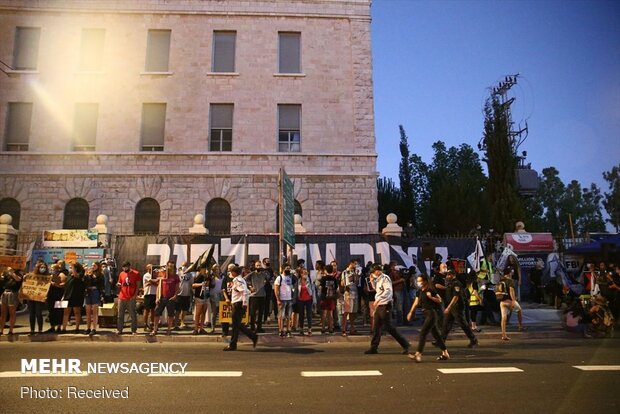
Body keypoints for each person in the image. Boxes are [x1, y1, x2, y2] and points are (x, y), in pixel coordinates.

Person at [364, 264, 412, 355]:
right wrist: (372, 281)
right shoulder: (377, 279)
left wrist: (378, 299)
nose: (374, 273)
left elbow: (388, 291)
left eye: (375, 272)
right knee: (376, 327)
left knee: (389, 327)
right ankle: (373, 347)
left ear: (378, 270)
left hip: (386, 304)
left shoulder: (385, 278)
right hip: (380, 305)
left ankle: (405, 344)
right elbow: (377, 290)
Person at [406, 274, 450, 362]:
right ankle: (445, 353)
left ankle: (418, 354)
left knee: (423, 333)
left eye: (420, 281)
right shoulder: (419, 291)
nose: (419, 283)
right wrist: (411, 312)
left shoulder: (430, 290)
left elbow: (439, 300)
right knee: (436, 335)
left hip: (432, 313)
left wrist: (430, 297)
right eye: (418, 281)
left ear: (425, 281)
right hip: (425, 313)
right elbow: (415, 303)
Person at [223, 266, 258, 351]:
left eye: (231, 272)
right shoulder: (240, 280)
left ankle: (234, 344)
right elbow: (245, 291)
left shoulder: (237, 280)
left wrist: (245, 303)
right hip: (238, 303)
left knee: (236, 325)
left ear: (234, 272)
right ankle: (251, 337)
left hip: (238, 304)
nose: (230, 273)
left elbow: (244, 291)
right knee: (236, 325)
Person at [440, 270, 478, 347]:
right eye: (447, 275)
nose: (447, 276)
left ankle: (473, 339)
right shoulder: (450, 284)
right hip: (452, 307)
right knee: (446, 324)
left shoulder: (456, 284)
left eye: (449, 275)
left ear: (453, 275)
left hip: (457, 307)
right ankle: (441, 340)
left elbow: (455, 297)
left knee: (463, 324)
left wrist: (448, 307)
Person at [152, 260, 181, 336]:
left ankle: (169, 329)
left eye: (172, 266)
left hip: (170, 298)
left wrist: (175, 296)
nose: (170, 267)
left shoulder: (176, 276)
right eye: (169, 266)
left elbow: (177, 287)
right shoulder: (162, 274)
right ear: (166, 266)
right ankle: (155, 329)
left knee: (170, 314)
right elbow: (159, 286)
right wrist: (157, 297)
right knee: (156, 313)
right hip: (162, 297)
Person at [496, 267, 525, 340]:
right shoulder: (510, 281)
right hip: (509, 300)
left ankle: (504, 335)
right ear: (509, 273)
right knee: (519, 310)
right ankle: (520, 326)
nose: (512, 273)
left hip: (502, 302)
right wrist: (513, 301)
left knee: (503, 318)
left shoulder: (500, 280)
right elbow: (511, 290)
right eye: (511, 272)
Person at [116, 261, 141, 335]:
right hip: (122, 297)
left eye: (126, 267)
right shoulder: (121, 273)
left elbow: (138, 285)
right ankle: (119, 329)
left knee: (133, 314)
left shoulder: (136, 273)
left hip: (131, 298)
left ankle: (133, 330)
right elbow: (119, 283)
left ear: (129, 266)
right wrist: (118, 284)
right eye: (123, 267)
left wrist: (134, 296)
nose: (124, 269)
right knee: (120, 315)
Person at [245, 260, 270, 333]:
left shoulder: (263, 274)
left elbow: (269, 277)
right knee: (253, 313)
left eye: (260, 265)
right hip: (254, 296)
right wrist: (250, 286)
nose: (258, 267)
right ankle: (252, 327)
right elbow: (244, 279)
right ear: (255, 266)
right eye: (257, 265)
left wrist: (265, 271)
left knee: (260, 313)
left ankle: (259, 327)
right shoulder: (252, 274)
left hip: (262, 295)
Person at [62, 262, 86, 334]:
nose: (70, 268)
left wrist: (73, 267)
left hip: (76, 296)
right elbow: (67, 286)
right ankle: (64, 328)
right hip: (68, 296)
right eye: (70, 267)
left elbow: (76, 275)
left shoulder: (80, 274)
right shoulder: (69, 275)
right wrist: (63, 296)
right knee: (66, 313)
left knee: (77, 312)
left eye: (71, 267)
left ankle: (77, 328)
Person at [26, 260, 49, 335]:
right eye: (41, 267)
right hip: (31, 297)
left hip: (40, 298)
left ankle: (40, 330)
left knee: (39, 313)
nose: (43, 268)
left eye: (44, 267)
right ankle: (32, 330)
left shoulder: (47, 277)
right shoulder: (32, 275)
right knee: (31, 314)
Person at [84, 261, 105, 335]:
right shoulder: (89, 273)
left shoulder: (100, 275)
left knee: (94, 312)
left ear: (98, 266)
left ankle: (94, 328)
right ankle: (88, 328)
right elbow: (85, 282)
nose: (93, 267)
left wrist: (101, 295)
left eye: (94, 265)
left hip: (95, 292)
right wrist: (86, 274)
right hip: (88, 292)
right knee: (88, 312)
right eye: (92, 265)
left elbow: (101, 285)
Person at [0, 267, 23, 336]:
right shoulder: (5, 272)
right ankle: (1, 330)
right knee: (3, 313)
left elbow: (18, 279)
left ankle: (11, 330)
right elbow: (2, 280)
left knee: (12, 312)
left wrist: (12, 273)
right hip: (5, 292)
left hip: (13, 293)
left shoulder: (19, 272)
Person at [274, 263, 294, 338]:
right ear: (283, 269)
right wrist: (278, 299)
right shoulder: (279, 278)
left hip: (289, 299)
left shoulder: (290, 277)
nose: (288, 269)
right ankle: (281, 330)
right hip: (282, 299)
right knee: (281, 316)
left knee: (288, 316)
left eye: (289, 268)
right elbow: (276, 290)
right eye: (287, 268)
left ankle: (288, 330)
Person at [340, 259, 359, 336]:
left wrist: (356, 276)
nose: (356, 265)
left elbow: (357, 283)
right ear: (351, 263)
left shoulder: (355, 272)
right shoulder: (345, 272)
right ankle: (343, 329)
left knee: (353, 312)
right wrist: (345, 287)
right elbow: (342, 283)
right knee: (346, 311)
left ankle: (352, 328)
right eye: (355, 264)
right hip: (348, 293)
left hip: (355, 293)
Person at [319, 264, 338, 335]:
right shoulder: (334, 279)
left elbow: (320, 287)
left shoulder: (323, 278)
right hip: (331, 297)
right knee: (330, 314)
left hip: (324, 297)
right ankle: (330, 328)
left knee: (324, 313)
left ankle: (323, 328)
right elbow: (336, 288)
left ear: (325, 270)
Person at [46, 263, 66, 333]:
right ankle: (52, 327)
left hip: (59, 295)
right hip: (51, 296)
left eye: (53, 269)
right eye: (51, 269)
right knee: (52, 312)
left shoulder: (61, 275)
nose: (52, 270)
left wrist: (56, 285)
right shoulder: (50, 276)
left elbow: (64, 284)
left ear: (57, 269)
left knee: (59, 312)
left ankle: (59, 327)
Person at [296, 267, 316, 335]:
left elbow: (313, 291)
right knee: (301, 315)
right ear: (301, 274)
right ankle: (301, 329)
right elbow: (296, 290)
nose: (305, 274)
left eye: (306, 273)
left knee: (309, 315)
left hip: (308, 300)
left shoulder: (310, 280)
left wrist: (314, 300)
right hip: (300, 300)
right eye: (304, 273)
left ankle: (309, 329)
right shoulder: (298, 281)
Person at [192, 265, 211, 335]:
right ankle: (196, 328)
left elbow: (209, 285)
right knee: (198, 313)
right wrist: (201, 284)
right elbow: (193, 285)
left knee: (203, 313)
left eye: (205, 269)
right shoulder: (198, 277)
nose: (204, 270)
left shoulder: (207, 277)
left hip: (206, 296)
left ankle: (201, 328)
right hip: (199, 297)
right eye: (203, 269)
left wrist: (208, 281)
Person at [142, 264, 158, 332]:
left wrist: (152, 282)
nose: (151, 268)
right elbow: (153, 282)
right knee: (147, 310)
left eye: (152, 267)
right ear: (147, 268)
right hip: (148, 294)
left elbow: (157, 283)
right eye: (150, 267)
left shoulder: (155, 274)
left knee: (153, 310)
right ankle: (145, 324)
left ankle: (152, 323)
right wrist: (152, 282)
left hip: (154, 294)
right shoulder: (146, 275)